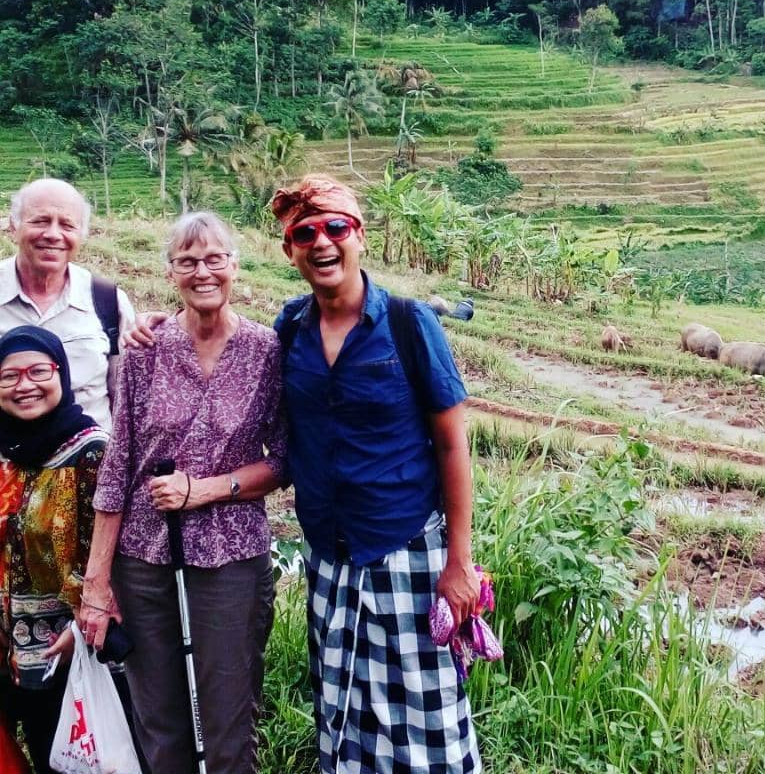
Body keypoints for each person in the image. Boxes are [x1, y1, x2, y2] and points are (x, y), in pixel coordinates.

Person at [270, 174, 481, 774]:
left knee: (425, 713)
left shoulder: (412, 325)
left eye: (335, 227)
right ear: (290, 251)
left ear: (359, 236)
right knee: (343, 707)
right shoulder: (290, 331)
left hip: (408, 548)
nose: (321, 242)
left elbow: (451, 445)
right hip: (330, 556)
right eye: (303, 233)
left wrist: (459, 563)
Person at [79, 212, 287, 774]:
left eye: (214, 258)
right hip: (143, 557)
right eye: (187, 260)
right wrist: (97, 582)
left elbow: (283, 461)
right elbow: (119, 463)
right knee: (161, 719)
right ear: (170, 272)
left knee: (227, 715)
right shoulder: (145, 348)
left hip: (230, 557)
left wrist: (205, 490)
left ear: (235, 267)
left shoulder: (266, 350)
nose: (202, 271)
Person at [0, 326, 107, 773]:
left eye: (38, 370)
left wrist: (83, 626)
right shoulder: (4, 451)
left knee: (70, 761)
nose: (25, 386)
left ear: (61, 374)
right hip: (7, 650)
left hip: (68, 650)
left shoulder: (91, 451)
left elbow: (114, 551)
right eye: (8, 377)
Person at [1, 179, 134, 432]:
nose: (52, 234)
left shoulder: (107, 300)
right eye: (40, 221)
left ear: (81, 235)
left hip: (89, 464)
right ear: (13, 226)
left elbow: (126, 399)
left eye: (67, 224)